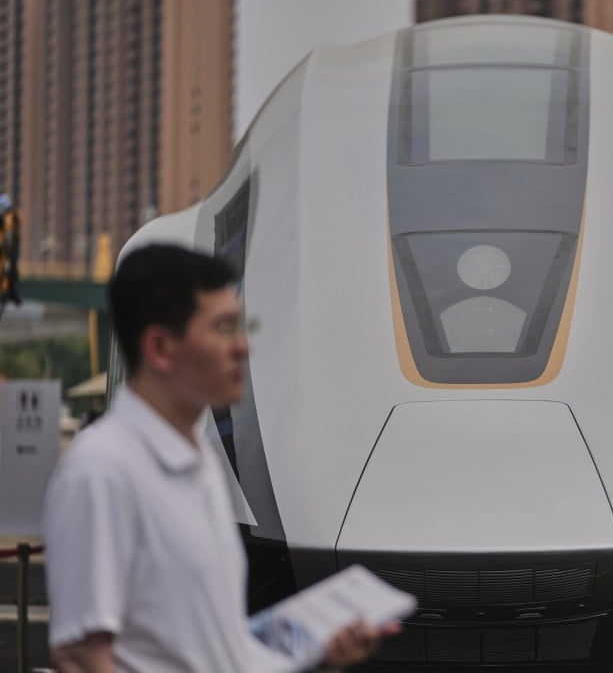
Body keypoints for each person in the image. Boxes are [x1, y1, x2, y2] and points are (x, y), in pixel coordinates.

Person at [42, 244, 396, 672]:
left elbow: (214, 649)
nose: (243, 347)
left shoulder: (200, 462)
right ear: (159, 347)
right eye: (224, 328)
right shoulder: (102, 470)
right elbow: (81, 656)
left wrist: (319, 654)